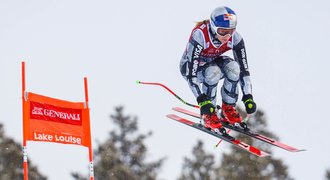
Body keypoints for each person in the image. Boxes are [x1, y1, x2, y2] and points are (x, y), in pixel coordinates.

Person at [179, 6, 257, 133]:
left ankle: (228, 109)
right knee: (213, 72)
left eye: (231, 31)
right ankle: (208, 115)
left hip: (211, 62)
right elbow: (191, 74)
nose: (227, 36)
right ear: (213, 27)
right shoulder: (200, 35)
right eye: (222, 31)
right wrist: (202, 100)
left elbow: (244, 70)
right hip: (190, 69)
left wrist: (248, 96)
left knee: (234, 68)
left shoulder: (236, 38)